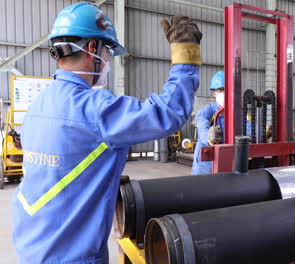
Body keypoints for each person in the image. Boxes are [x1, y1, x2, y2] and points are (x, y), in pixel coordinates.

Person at [11, 2, 202, 263]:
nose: (108, 61)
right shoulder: (96, 109)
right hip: (73, 256)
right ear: (92, 49)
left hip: (30, 248)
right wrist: (185, 55)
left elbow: (59, 163)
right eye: (108, 51)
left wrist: (103, 172)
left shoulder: (37, 106)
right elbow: (169, 114)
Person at [192, 71, 225, 175]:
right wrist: (209, 137)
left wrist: (262, 132)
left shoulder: (236, 113)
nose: (223, 93)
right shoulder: (206, 112)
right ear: (214, 93)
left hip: (225, 162)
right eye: (219, 90)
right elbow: (202, 129)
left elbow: (247, 127)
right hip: (205, 165)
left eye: (225, 90)